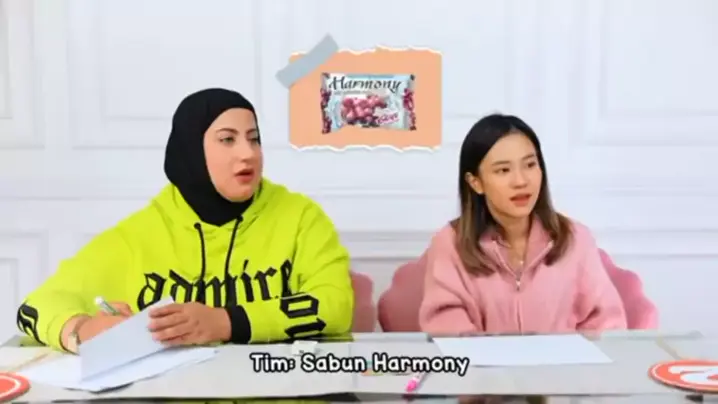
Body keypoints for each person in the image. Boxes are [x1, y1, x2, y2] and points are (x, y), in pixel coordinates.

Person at [15, 88, 355, 352]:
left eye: (254, 139)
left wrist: (225, 322)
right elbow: (35, 307)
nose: (248, 153)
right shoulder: (140, 234)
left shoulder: (300, 218)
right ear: (191, 150)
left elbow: (335, 306)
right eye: (227, 139)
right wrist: (81, 330)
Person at [419, 113, 627, 335]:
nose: (521, 181)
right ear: (476, 182)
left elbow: (607, 324)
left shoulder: (575, 238)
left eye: (529, 165)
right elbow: (447, 327)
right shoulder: (450, 243)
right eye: (503, 170)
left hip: (565, 359)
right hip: (478, 359)